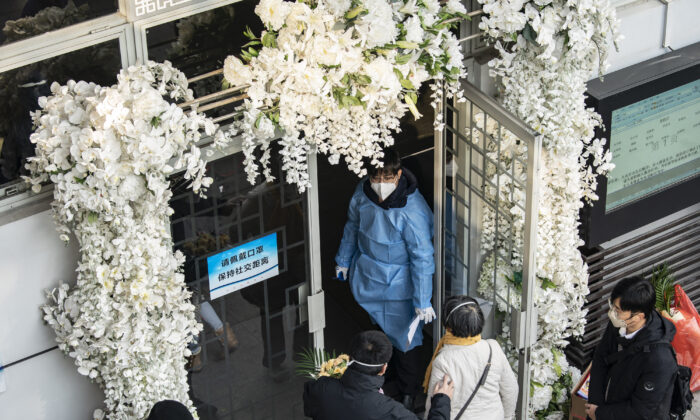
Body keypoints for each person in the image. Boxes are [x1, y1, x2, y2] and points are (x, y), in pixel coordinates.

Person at [334, 146, 435, 408]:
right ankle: (381, 379)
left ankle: (408, 392)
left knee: (406, 342)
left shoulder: (412, 213)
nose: (380, 185)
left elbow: (423, 258)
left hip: (398, 288)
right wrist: (343, 260)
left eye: (387, 179)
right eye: (375, 178)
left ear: (398, 175)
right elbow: (352, 226)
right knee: (378, 335)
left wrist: (423, 299)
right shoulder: (362, 193)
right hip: (368, 277)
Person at [303, 330, 453, 420]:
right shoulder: (388, 410)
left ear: (348, 358)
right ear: (384, 368)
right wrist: (442, 401)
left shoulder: (321, 388)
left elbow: (310, 405)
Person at [586, 276, 677, 420]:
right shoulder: (620, 322)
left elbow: (640, 411)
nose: (612, 313)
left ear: (638, 317)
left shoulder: (660, 360)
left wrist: (600, 414)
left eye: (618, 310)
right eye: (612, 306)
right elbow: (600, 357)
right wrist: (595, 405)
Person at [424, 296, 517, 419]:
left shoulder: (443, 360)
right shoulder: (493, 348)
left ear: (448, 326)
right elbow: (511, 389)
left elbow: (434, 404)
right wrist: (507, 417)